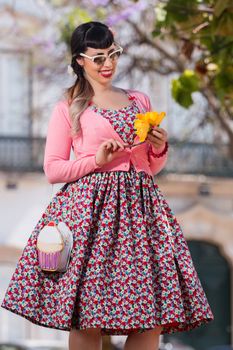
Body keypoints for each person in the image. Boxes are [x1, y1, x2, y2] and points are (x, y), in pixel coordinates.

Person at [1, 21, 214, 350]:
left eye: (113, 54)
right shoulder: (70, 106)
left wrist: (158, 146)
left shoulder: (139, 100)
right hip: (92, 215)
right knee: (89, 317)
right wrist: (95, 161)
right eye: (98, 57)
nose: (108, 64)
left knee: (151, 317)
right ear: (80, 61)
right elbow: (53, 169)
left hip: (142, 214)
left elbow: (149, 167)